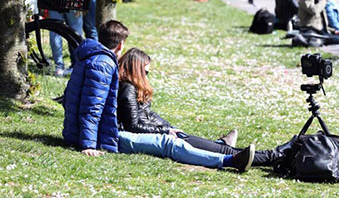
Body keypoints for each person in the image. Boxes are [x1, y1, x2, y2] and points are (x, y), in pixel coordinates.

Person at [62, 20, 255, 171]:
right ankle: (229, 160)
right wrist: (88, 144)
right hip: (102, 137)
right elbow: (91, 107)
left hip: (99, 132)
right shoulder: (102, 64)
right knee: (168, 143)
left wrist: (166, 126)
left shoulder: (95, 58)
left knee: (173, 137)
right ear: (121, 45)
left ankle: (228, 149)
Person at [117, 48, 277, 167]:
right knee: (221, 151)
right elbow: (133, 125)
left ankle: (227, 145)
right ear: (136, 70)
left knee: (205, 144)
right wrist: (165, 131)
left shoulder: (131, 88)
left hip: (152, 132)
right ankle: (272, 156)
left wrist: (168, 127)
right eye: (145, 72)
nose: (147, 76)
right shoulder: (127, 89)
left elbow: (148, 115)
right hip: (141, 136)